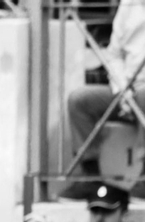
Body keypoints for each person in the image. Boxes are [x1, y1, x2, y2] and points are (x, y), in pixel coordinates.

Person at [60, 0, 145, 199]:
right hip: (126, 88)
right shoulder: (129, 4)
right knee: (79, 101)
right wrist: (122, 89)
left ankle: (144, 176)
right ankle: (90, 176)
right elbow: (114, 54)